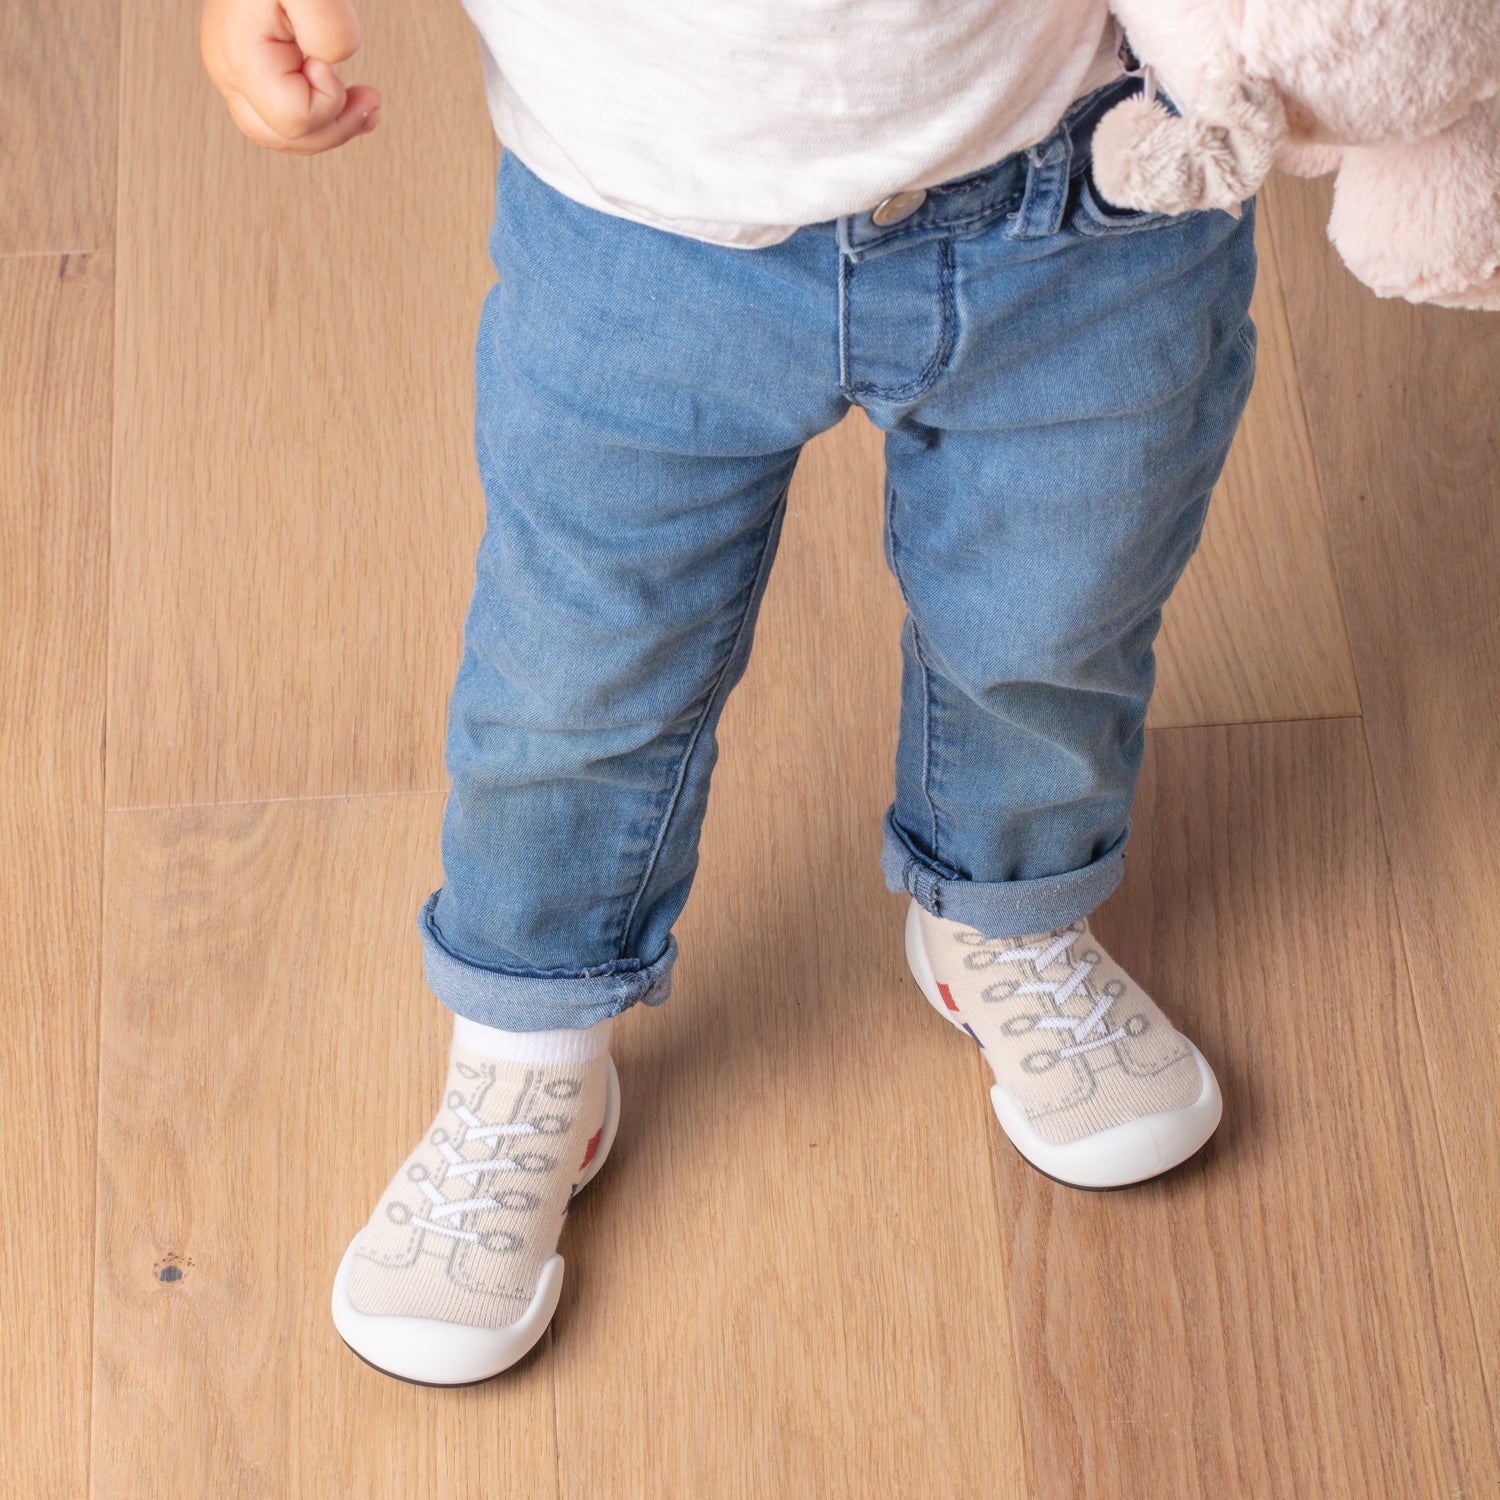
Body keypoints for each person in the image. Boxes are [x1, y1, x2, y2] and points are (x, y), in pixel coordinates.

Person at [200, 0, 1255, 1386]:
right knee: (577, 680)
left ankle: (1001, 906)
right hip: (639, 220)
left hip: (1084, 178)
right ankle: (532, 1037)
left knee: (1058, 603)